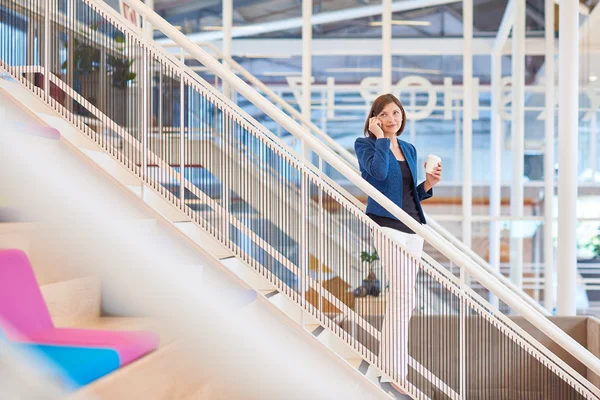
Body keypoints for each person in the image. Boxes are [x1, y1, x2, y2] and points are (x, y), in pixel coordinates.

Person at [354, 93, 442, 392]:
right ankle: (395, 373)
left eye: (396, 113)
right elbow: (376, 174)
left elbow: (408, 193)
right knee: (402, 296)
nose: (393, 119)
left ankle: (392, 368)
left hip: (413, 228)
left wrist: (428, 184)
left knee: (406, 299)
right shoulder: (365, 145)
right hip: (386, 226)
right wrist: (379, 139)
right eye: (386, 114)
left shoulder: (410, 148)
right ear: (375, 118)